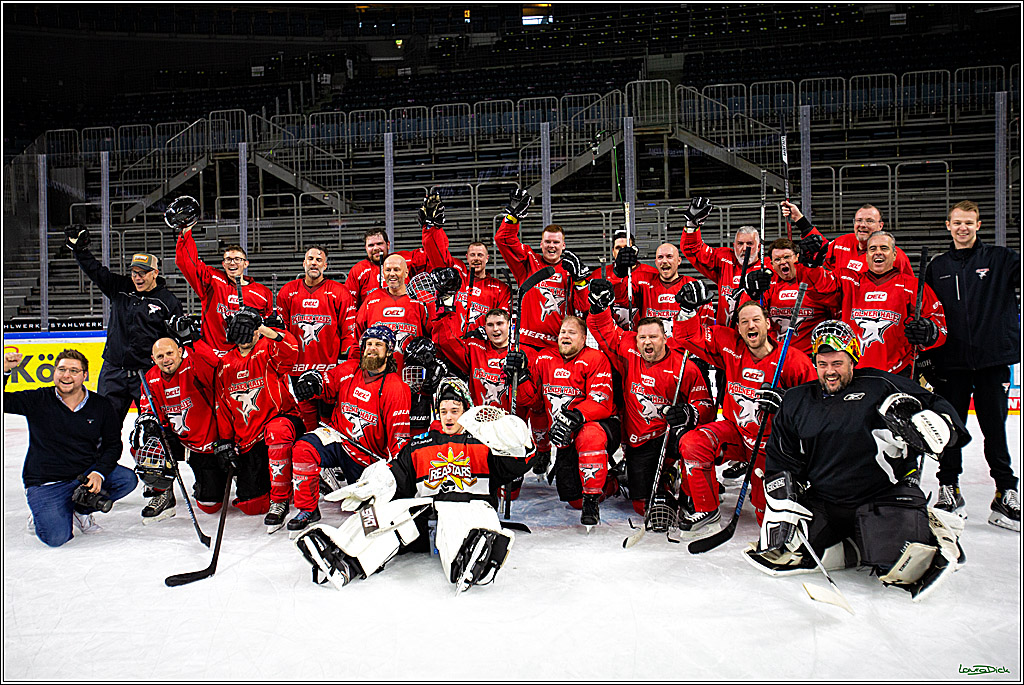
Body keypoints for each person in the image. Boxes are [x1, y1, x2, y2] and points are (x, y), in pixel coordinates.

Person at [747, 320, 969, 602]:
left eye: (837, 363)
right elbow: (781, 457)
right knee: (788, 553)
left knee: (900, 567)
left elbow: (937, 406)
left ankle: (928, 525)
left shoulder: (880, 384)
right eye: (822, 363)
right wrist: (785, 500)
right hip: (826, 500)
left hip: (881, 496)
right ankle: (855, 539)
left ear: (853, 358)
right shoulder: (796, 401)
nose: (829, 372)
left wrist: (941, 425)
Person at [292, 379, 534, 592]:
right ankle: (343, 557)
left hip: (468, 513)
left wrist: (511, 436)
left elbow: (519, 462)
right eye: (443, 410)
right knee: (381, 511)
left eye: (455, 410)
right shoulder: (419, 444)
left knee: (462, 512)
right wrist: (376, 483)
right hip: (425, 519)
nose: (449, 417)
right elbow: (398, 476)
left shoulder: (485, 444)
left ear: (466, 411)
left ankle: (474, 559)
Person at [669, 290, 816, 536]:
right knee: (692, 442)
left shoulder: (793, 361)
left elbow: (814, 409)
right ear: (737, 327)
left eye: (756, 319)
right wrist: (687, 310)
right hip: (735, 433)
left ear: (768, 324)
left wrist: (786, 405)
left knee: (765, 517)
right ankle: (707, 507)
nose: (751, 325)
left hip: (772, 446)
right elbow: (686, 337)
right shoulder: (731, 346)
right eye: (744, 321)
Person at [923, 201, 1020, 530]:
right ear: (948, 225)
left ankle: (1006, 492)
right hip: (952, 363)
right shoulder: (937, 266)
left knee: (995, 429)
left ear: (979, 225)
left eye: (969, 222)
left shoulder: (1001, 260)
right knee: (949, 429)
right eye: (957, 222)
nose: (963, 228)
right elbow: (926, 312)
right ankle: (949, 488)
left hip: (992, 361)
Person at [588, 281, 715, 518]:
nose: (647, 342)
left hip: (670, 436)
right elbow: (605, 330)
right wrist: (599, 308)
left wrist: (689, 413)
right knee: (641, 507)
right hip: (640, 441)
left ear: (665, 338)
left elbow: (706, 405)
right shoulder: (629, 348)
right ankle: (640, 477)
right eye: (642, 337)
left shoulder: (684, 366)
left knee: (693, 444)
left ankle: (686, 486)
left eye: (654, 337)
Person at [493, 188, 589, 473]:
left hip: (554, 348)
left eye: (556, 242)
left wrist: (582, 280)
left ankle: (545, 450)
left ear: (563, 245)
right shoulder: (529, 264)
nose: (551, 246)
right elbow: (503, 240)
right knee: (519, 400)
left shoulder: (570, 270)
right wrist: (513, 217)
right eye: (547, 241)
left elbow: (582, 309)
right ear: (541, 243)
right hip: (524, 344)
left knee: (545, 404)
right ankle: (518, 452)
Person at [4, 349, 137, 547]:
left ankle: (81, 510)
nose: (67, 375)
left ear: (85, 375)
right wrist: (4, 370)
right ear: (54, 372)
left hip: (83, 474)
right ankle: (44, 511)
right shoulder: (38, 399)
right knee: (57, 538)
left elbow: (112, 445)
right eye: (62, 369)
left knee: (126, 480)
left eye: (74, 371)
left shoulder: (100, 405)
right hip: (47, 482)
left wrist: (98, 473)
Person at [290, 325, 412, 533]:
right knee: (303, 449)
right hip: (338, 438)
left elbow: (398, 438)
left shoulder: (396, 388)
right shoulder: (349, 369)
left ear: (389, 351)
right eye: (369, 344)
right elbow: (325, 383)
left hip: (367, 458)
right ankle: (307, 509)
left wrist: (392, 475)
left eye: (378, 345)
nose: (372, 349)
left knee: (366, 520)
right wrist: (312, 382)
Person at [64, 223, 182, 423]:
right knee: (103, 427)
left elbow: (175, 340)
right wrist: (80, 250)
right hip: (113, 372)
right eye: (134, 272)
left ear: (155, 272)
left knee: (154, 428)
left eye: (143, 272)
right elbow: (95, 271)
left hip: (147, 373)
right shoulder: (120, 288)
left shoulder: (168, 301)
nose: (137, 277)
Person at [515, 315, 620, 528]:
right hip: (566, 435)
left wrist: (574, 416)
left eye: (572, 333)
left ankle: (594, 499)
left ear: (583, 339)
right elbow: (533, 402)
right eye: (563, 332)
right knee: (574, 500)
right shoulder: (544, 359)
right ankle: (611, 481)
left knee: (589, 435)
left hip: (600, 426)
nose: (566, 336)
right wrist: (522, 377)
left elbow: (601, 402)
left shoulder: (595, 358)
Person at [806, 232, 946, 376]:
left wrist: (929, 332)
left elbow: (940, 327)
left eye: (884, 248)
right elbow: (819, 288)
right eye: (872, 249)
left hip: (898, 372)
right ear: (866, 255)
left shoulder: (913, 286)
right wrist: (812, 265)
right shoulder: (849, 281)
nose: (878, 252)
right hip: (853, 373)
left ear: (895, 254)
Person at [214, 321, 303, 533]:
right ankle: (285, 480)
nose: (246, 337)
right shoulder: (224, 364)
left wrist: (262, 328)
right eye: (241, 332)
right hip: (249, 439)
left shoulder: (267, 348)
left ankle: (280, 499)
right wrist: (225, 441)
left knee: (277, 432)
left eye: (250, 331)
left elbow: (290, 350)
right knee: (252, 505)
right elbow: (223, 406)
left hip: (281, 422)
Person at [132, 323, 225, 522]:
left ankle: (216, 480)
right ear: (153, 359)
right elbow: (149, 408)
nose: (166, 360)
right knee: (142, 444)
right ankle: (162, 492)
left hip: (204, 445)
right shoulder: (150, 378)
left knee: (210, 505)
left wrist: (195, 340)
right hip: (175, 440)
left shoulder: (194, 366)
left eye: (169, 353)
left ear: (180, 351)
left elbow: (215, 364)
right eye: (160, 356)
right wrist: (148, 421)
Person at [171, 196, 273, 356]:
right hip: (214, 355)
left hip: (247, 358)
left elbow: (269, 328)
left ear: (246, 264)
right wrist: (186, 232)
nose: (233, 263)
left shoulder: (263, 293)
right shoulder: (212, 279)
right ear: (223, 264)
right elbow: (186, 263)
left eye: (237, 259)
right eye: (228, 259)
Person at [277, 245, 357, 430]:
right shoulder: (287, 292)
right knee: (307, 425)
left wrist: (343, 366)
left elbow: (348, 332)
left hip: (329, 371)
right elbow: (282, 335)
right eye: (310, 259)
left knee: (331, 424)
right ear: (304, 263)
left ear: (326, 266)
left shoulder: (339, 292)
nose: (314, 263)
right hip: (297, 371)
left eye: (319, 260)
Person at [418, 191, 512, 336]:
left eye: (480, 255)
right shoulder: (457, 275)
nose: (476, 258)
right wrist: (433, 228)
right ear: (466, 257)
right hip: (452, 342)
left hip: (482, 347)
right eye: (473, 255)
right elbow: (438, 253)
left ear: (487, 258)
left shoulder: (500, 288)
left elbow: (504, 320)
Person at [679, 198, 767, 326]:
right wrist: (692, 224)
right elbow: (693, 249)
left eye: (750, 244)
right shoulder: (725, 259)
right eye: (740, 244)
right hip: (727, 338)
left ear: (759, 247)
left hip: (757, 337)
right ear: (734, 245)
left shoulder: (768, 266)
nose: (744, 248)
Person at [744, 237, 833, 356]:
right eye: (777, 259)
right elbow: (753, 313)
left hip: (811, 356)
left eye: (787, 257)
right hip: (777, 356)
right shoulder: (768, 284)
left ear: (796, 257)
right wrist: (752, 292)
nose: (782, 262)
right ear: (772, 264)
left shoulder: (813, 279)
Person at [787, 201, 913, 276]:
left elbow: (910, 288)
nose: (862, 225)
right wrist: (799, 219)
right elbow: (821, 247)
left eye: (869, 221)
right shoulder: (843, 242)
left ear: (880, 226)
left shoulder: (896, 256)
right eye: (859, 220)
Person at [353, 253, 433, 361]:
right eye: (388, 270)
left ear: (406, 273)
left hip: (412, 370)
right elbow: (357, 336)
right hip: (378, 371)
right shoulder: (372, 299)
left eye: (396, 269)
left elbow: (434, 335)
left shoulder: (421, 300)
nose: (392, 274)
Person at [589, 230, 658, 330]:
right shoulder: (599, 274)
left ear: (634, 251)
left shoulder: (651, 273)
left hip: (643, 334)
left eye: (626, 248)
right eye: (618, 248)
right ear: (613, 251)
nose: (622, 252)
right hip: (610, 332)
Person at [344, 227, 428, 310]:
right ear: (366, 248)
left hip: (404, 318)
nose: (376, 248)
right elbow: (349, 306)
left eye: (379, 244)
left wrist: (429, 229)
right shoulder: (358, 270)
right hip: (372, 321)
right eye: (371, 245)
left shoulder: (403, 261)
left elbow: (431, 255)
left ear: (388, 245)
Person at [637, 242, 699, 337]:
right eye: (660, 257)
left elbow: (705, 326)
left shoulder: (692, 286)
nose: (664, 261)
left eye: (669, 256)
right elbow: (622, 297)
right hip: (651, 348)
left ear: (679, 261)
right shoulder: (643, 283)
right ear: (656, 262)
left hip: (682, 347)